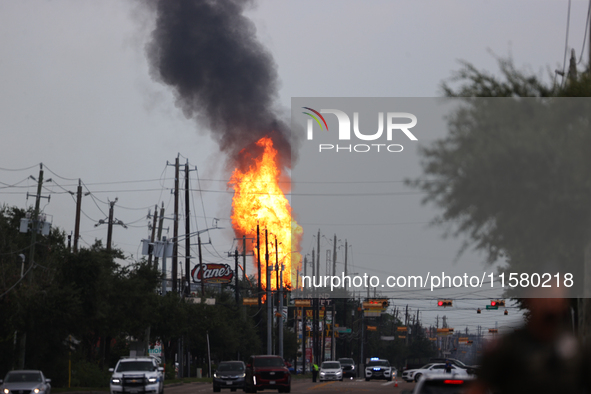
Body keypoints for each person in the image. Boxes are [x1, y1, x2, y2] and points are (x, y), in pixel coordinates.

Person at [467, 288, 590, 394]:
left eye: (557, 297)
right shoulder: (507, 347)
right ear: (529, 299)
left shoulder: (577, 350)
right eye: (543, 296)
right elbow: (478, 388)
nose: (550, 303)